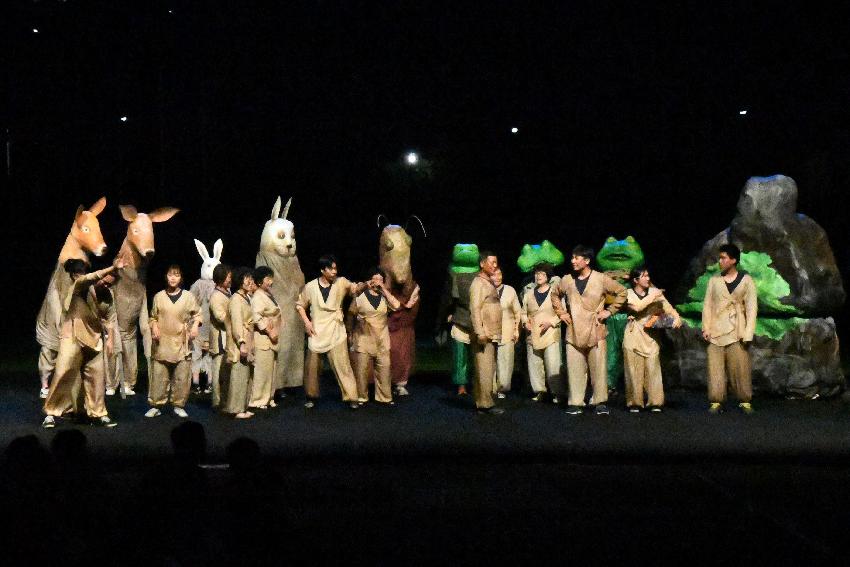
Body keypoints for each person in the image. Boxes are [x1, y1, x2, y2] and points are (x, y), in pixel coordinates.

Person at [42, 257, 123, 428]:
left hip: (94, 338)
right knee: (63, 372)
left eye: (112, 281)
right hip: (71, 335)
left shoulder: (108, 296)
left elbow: (110, 319)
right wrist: (112, 267)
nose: (108, 283)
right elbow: (89, 278)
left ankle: (98, 412)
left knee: (97, 376)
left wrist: (110, 341)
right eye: (106, 279)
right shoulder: (78, 286)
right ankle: (51, 413)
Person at [551, 245, 627, 415]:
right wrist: (561, 313)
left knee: (598, 368)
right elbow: (554, 294)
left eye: (576, 258)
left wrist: (610, 310)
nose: (573, 261)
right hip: (574, 330)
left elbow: (622, 292)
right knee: (575, 368)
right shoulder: (567, 280)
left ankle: (599, 401)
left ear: (586, 260)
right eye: (572, 258)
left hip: (595, 328)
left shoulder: (600, 279)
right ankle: (576, 402)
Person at [296, 255, 367, 409]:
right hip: (317, 330)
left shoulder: (341, 282)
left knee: (343, 365)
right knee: (312, 368)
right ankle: (311, 396)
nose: (335, 271)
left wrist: (366, 284)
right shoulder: (311, 286)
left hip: (336, 329)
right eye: (331, 268)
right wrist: (307, 323)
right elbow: (300, 305)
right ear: (323, 270)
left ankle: (352, 397)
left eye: (335, 268)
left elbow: (354, 288)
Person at [701, 244, 757, 414]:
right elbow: (708, 305)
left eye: (724, 258)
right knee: (715, 367)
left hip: (737, 329)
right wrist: (706, 328)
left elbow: (751, 308)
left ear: (733, 260)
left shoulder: (746, 280)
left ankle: (744, 400)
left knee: (740, 367)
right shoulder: (714, 281)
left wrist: (748, 332)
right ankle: (716, 400)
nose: (720, 261)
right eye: (720, 257)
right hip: (716, 329)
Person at [622, 267, 681, 412]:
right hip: (633, 333)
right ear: (636, 280)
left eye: (648, 275)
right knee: (633, 369)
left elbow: (668, 308)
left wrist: (677, 318)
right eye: (644, 276)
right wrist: (653, 297)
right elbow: (637, 308)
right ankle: (635, 402)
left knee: (653, 369)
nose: (648, 278)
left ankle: (655, 402)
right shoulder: (628, 293)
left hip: (651, 335)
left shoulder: (655, 293)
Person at [146, 265, 202, 418]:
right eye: (170, 275)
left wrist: (196, 326)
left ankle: (178, 404)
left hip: (181, 341)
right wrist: (154, 326)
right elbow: (152, 317)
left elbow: (197, 314)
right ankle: (156, 404)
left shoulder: (188, 297)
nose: (173, 278)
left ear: (180, 278)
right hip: (162, 341)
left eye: (176, 275)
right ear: (166, 276)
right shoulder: (158, 296)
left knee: (181, 375)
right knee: (159, 375)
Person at [346, 267, 401, 405]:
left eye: (381, 279)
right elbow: (351, 314)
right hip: (363, 338)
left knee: (384, 369)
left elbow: (396, 305)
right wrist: (350, 333)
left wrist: (383, 288)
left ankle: (384, 397)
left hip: (382, 339)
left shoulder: (384, 297)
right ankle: (361, 397)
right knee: (362, 371)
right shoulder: (360, 296)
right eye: (376, 278)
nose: (378, 281)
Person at [521, 262, 564, 403]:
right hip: (533, 333)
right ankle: (539, 391)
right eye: (537, 273)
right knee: (534, 364)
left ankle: (556, 392)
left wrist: (551, 322)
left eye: (542, 274)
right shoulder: (528, 294)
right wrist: (525, 322)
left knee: (553, 364)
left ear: (548, 276)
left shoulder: (554, 292)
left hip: (550, 333)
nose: (538, 276)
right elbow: (523, 312)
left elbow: (562, 312)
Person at [469, 251, 503, 414]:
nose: (495, 266)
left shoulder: (487, 283)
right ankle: (484, 404)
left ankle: (484, 402)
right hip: (484, 334)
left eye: (496, 263)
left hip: (491, 333)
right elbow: (474, 309)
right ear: (482, 264)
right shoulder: (478, 284)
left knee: (488, 368)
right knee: (484, 369)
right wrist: (479, 331)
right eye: (492, 262)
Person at [221, 267, 256, 419]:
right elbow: (236, 323)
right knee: (238, 376)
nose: (249, 281)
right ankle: (235, 409)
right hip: (238, 342)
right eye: (246, 278)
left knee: (245, 376)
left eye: (251, 278)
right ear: (239, 280)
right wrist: (241, 342)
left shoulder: (246, 297)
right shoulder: (236, 299)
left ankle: (242, 406)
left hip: (247, 339)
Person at [249, 266, 281, 410]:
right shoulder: (258, 296)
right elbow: (256, 317)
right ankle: (258, 400)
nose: (270, 281)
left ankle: (269, 397)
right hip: (264, 339)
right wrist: (269, 331)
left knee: (271, 370)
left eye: (271, 278)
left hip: (273, 338)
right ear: (260, 281)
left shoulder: (268, 294)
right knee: (262, 371)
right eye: (267, 279)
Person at [490, 267, 521, 398]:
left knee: (505, 361)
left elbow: (518, 312)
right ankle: (490, 388)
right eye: (494, 275)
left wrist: (516, 330)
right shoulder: (485, 289)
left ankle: (502, 388)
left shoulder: (510, 290)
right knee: (489, 361)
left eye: (499, 274)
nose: (497, 277)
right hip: (489, 332)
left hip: (507, 330)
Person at [208, 264, 232, 408]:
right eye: (228, 277)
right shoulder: (216, 296)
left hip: (227, 337)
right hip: (219, 339)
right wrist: (235, 319)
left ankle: (225, 400)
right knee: (218, 372)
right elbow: (220, 317)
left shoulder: (227, 293)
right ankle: (217, 402)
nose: (230, 279)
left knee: (225, 372)